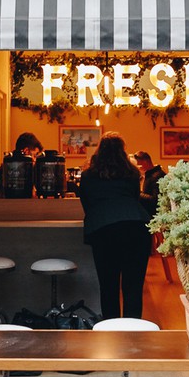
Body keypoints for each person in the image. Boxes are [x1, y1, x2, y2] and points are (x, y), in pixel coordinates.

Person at [78, 133, 152, 320]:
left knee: (108, 287)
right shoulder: (132, 174)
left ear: (99, 150)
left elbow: (87, 205)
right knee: (133, 288)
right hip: (136, 228)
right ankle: (133, 332)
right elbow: (135, 199)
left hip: (104, 230)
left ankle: (111, 331)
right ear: (122, 151)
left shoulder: (88, 176)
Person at [132, 151, 166, 216]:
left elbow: (155, 200)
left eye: (139, 164)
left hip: (154, 214)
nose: (138, 167)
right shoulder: (148, 175)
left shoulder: (157, 176)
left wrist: (137, 193)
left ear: (146, 161)